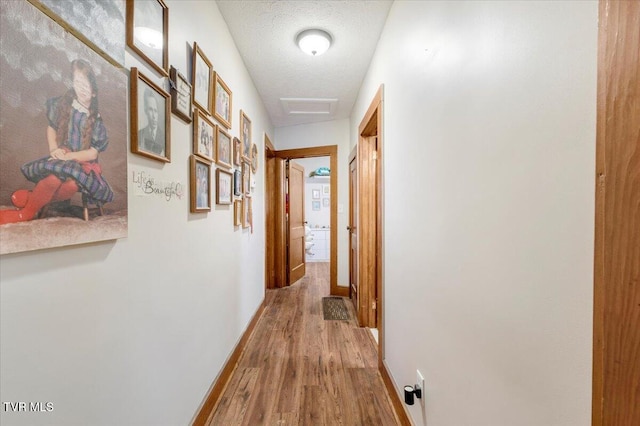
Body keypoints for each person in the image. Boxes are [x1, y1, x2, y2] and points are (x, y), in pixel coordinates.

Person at [0, 59, 113, 225]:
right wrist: (54, 148)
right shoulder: (65, 105)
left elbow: (92, 152)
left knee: (73, 184)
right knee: (54, 178)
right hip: (64, 155)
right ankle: (25, 214)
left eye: (86, 84)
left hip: (83, 163)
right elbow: (52, 127)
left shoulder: (96, 120)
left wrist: (71, 157)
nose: (81, 88)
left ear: (94, 91)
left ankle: (32, 198)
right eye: (77, 82)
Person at [138, 87, 165, 155]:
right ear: (145, 110)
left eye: (155, 111)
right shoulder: (139, 134)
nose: (154, 116)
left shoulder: (164, 137)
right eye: (150, 110)